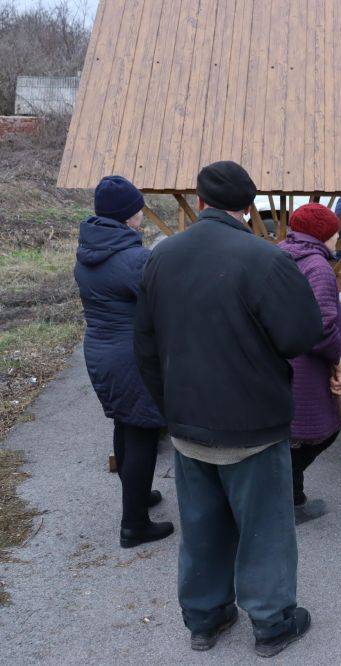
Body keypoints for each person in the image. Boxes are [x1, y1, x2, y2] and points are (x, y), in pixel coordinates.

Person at [134, 161, 323, 657]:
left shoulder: (161, 256)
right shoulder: (264, 259)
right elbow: (302, 335)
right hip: (253, 422)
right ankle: (272, 622)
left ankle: (205, 617)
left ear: (199, 202)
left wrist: (170, 408)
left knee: (200, 524)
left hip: (187, 418)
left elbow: (146, 346)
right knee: (264, 529)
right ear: (248, 206)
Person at [73, 175, 172, 549]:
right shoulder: (133, 259)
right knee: (143, 430)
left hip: (100, 349)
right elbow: (162, 304)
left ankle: (138, 493)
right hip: (130, 354)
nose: (142, 214)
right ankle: (135, 524)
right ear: (128, 214)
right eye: (139, 208)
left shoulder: (90, 250)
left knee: (125, 423)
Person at [278, 203, 341, 525]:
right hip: (308, 365)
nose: (338, 239)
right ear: (324, 235)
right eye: (335, 234)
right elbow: (322, 326)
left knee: (292, 433)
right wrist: (336, 360)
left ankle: (292, 496)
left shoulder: (280, 255)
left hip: (282, 359)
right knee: (321, 431)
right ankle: (289, 500)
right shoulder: (317, 268)